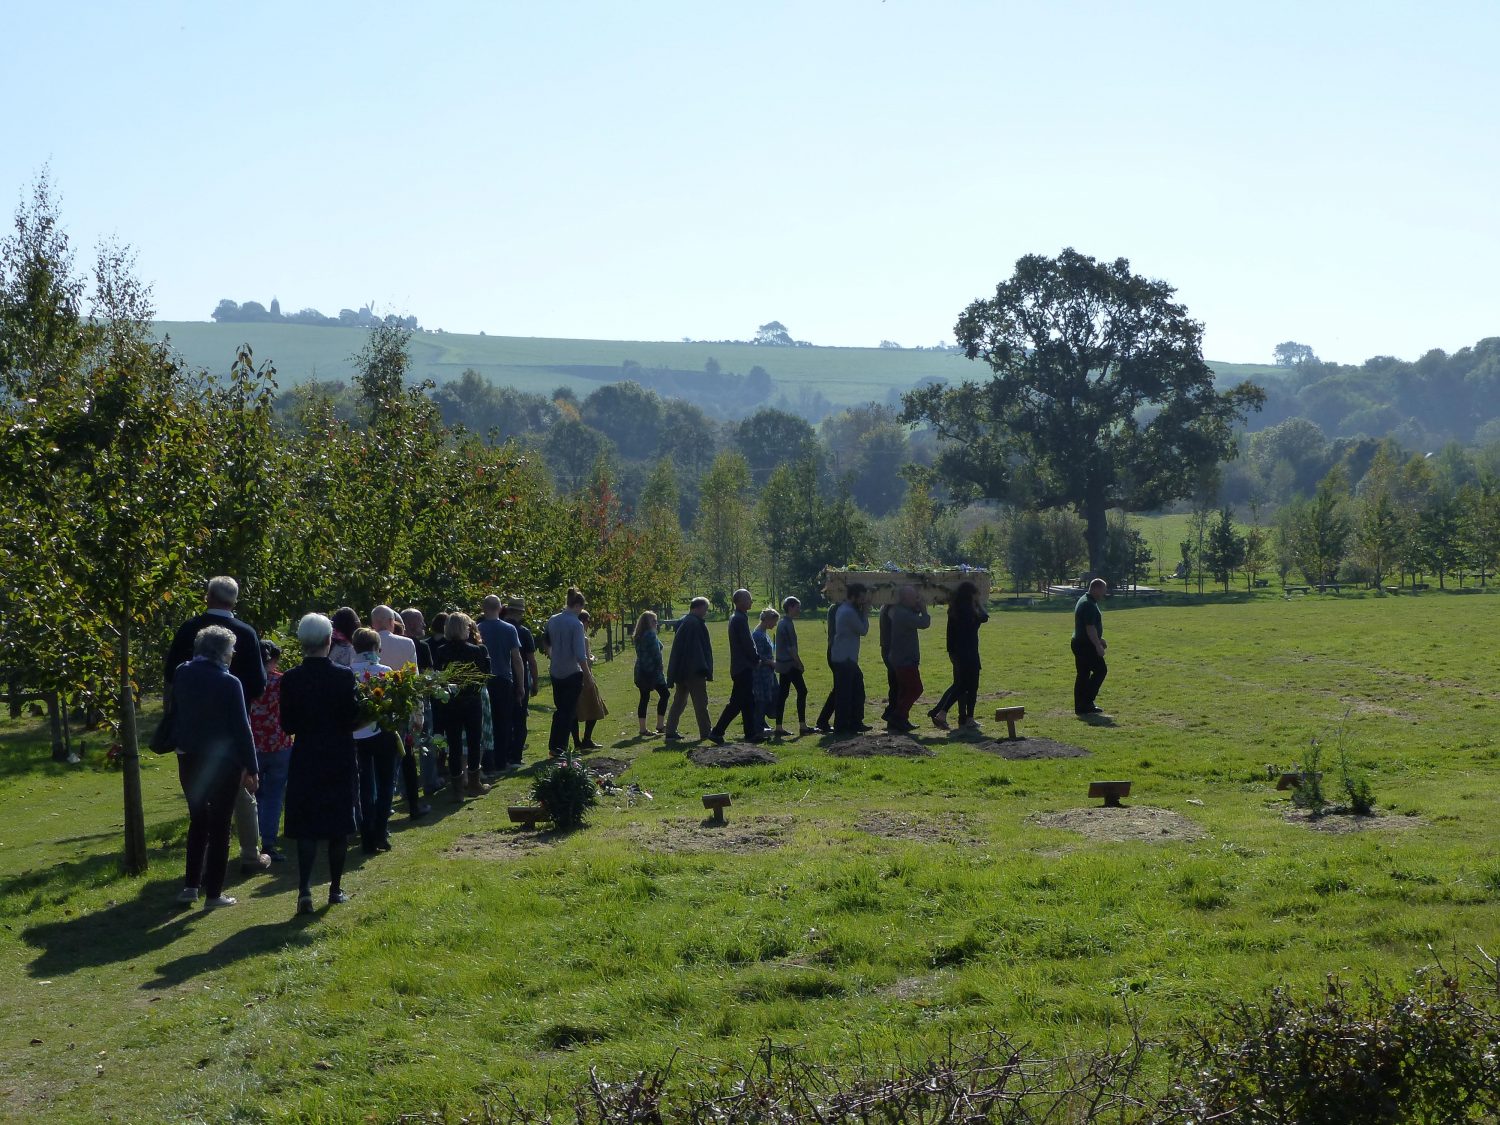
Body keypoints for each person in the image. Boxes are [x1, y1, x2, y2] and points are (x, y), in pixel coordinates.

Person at [164, 576, 270, 877]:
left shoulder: (188, 630)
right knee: (241, 798)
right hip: (231, 731)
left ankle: (199, 866)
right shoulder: (247, 634)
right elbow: (259, 685)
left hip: (192, 730)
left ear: (207, 597)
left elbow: (171, 673)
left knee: (200, 804)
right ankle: (249, 853)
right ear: (234, 600)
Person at [171, 625, 261, 908]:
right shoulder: (229, 682)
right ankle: (214, 893)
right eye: (231, 650)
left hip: (189, 757)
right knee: (220, 825)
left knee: (198, 820)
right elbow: (241, 728)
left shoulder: (182, 673)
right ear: (223, 653)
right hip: (223, 762)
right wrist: (252, 766)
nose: (233, 655)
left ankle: (190, 885)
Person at [280, 613, 362, 914]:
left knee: (307, 826)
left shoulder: (290, 679)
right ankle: (335, 888)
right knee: (338, 824)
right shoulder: (343, 675)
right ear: (329, 640)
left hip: (306, 753)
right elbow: (352, 716)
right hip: (338, 752)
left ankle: (304, 889)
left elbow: (287, 724)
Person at [372, 605, 428, 817]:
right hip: (401, 707)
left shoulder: (364, 644)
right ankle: (413, 804)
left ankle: (381, 804)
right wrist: (418, 712)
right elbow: (413, 680)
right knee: (407, 757)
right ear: (390, 621)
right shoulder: (406, 644)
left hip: (376, 710)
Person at [350, 628, 401, 854]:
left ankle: (368, 835)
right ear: (377, 648)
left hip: (357, 735)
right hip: (382, 732)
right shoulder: (385, 672)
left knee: (365, 787)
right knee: (386, 783)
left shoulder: (349, 673)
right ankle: (381, 830)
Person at [435, 612, 492, 797]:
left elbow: (438, 677)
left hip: (450, 702)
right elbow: (485, 676)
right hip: (471, 701)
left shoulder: (441, 651)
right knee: (474, 742)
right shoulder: (476, 651)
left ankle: (457, 789)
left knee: (454, 744)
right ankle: (474, 783)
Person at [246, 640, 292, 861]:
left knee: (252, 797)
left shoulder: (245, 681)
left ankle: (250, 843)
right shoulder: (281, 682)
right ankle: (269, 842)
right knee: (274, 796)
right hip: (278, 743)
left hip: (252, 744)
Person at [929, 581, 989, 729]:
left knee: (967, 685)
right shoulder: (967, 611)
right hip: (968, 652)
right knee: (966, 685)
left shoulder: (955, 609)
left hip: (958, 652)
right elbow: (984, 618)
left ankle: (967, 718)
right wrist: (979, 605)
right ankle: (942, 713)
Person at [477, 594, 525, 769]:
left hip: (485, 680)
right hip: (504, 679)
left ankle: (486, 760)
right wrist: (521, 684)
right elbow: (516, 659)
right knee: (503, 721)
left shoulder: (477, 628)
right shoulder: (509, 629)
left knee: (486, 722)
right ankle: (501, 760)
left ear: (483, 609)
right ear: (500, 609)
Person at [710, 588, 762, 745]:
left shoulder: (738, 617)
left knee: (748, 702)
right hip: (743, 667)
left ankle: (750, 734)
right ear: (739, 602)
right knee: (737, 702)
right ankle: (717, 731)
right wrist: (756, 658)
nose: (751, 601)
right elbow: (747, 643)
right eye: (748, 599)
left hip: (740, 666)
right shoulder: (739, 619)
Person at [544, 588, 589, 756]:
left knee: (559, 709)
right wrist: (588, 675)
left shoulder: (553, 620)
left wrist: (553, 655)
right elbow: (580, 653)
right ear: (577, 605)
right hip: (572, 672)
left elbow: (546, 641)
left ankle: (553, 744)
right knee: (568, 711)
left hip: (556, 670)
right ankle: (560, 747)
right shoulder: (576, 624)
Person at [663, 596, 714, 742]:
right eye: (705, 608)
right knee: (701, 702)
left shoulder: (684, 621)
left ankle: (671, 731)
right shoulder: (694, 623)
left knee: (679, 701)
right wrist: (702, 668)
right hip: (693, 671)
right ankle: (706, 731)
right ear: (697, 608)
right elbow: (697, 649)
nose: (706, 612)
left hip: (682, 670)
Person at [885, 585, 931, 733]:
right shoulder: (902, 614)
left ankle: (901, 719)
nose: (916, 599)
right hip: (905, 659)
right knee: (916, 689)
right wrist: (924, 609)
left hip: (900, 658)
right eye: (913, 597)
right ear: (904, 598)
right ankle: (898, 717)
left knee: (905, 691)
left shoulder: (899, 611)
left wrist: (917, 607)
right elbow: (924, 623)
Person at [831, 583, 872, 734]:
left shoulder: (844, 609)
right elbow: (863, 630)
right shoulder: (849, 612)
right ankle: (844, 725)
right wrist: (866, 613)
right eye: (861, 598)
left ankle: (853, 722)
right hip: (845, 658)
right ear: (853, 597)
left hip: (845, 657)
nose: (863, 601)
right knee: (846, 694)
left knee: (854, 690)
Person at [504, 599, 540, 759]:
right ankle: (516, 755)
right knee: (519, 719)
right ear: (520, 613)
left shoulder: (496, 628)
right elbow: (531, 661)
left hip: (500, 678)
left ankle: (503, 754)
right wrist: (535, 682)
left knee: (503, 718)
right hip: (520, 677)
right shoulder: (524, 632)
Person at [773, 596, 812, 737]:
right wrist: (799, 663)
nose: (799, 610)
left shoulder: (784, 622)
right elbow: (791, 648)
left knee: (783, 695)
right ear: (790, 607)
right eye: (797, 607)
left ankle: (779, 727)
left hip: (783, 665)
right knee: (802, 691)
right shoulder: (787, 624)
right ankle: (802, 726)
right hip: (790, 665)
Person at [1072, 578, 1109, 716]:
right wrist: (1098, 645)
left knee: (1083, 674)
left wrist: (1100, 639)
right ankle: (1087, 702)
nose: (1104, 593)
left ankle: (1080, 706)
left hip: (1079, 642)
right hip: (1085, 645)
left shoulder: (1086, 600)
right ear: (1096, 588)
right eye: (1103, 590)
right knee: (1101, 670)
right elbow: (1090, 628)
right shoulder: (1088, 604)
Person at [573, 609, 607, 749]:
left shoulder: (571, 637)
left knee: (574, 710)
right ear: (584, 622)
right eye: (588, 621)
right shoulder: (584, 639)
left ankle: (576, 742)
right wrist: (592, 658)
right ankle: (587, 739)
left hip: (572, 676)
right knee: (595, 707)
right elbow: (586, 659)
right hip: (585, 676)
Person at [632, 611, 668, 737]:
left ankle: (642, 728)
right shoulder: (650, 635)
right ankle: (660, 724)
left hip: (640, 670)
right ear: (648, 622)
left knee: (644, 698)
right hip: (652, 670)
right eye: (654, 621)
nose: (656, 623)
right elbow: (657, 653)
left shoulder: (638, 635)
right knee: (665, 694)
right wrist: (660, 667)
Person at [751, 608, 779, 738]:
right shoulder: (757, 635)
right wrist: (770, 663)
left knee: (770, 696)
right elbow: (759, 656)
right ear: (767, 620)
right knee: (761, 698)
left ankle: (763, 722)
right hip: (761, 673)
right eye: (774, 621)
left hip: (768, 672)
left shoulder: (764, 633)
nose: (775, 624)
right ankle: (758, 726)